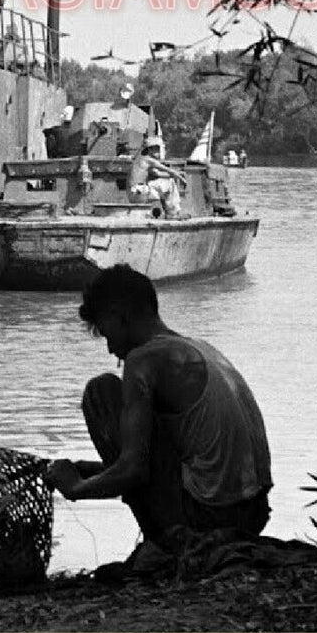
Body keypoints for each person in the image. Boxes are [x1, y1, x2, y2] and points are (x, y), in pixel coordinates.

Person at [43, 264, 273, 552]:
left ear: (119, 316)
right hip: (251, 514)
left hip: (208, 516)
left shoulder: (143, 360)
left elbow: (134, 471)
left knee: (100, 392)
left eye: (105, 333)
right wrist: (89, 471)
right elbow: (186, 459)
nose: (110, 348)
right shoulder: (197, 347)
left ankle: (166, 540)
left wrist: (76, 488)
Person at [129, 141, 187, 219]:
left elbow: (159, 174)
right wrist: (180, 176)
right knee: (169, 183)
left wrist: (176, 175)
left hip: (133, 194)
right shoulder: (148, 160)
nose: (159, 151)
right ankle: (173, 213)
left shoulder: (141, 161)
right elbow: (168, 170)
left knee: (167, 183)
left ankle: (169, 212)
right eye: (156, 149)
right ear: (149, 150)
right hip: (139, 192)